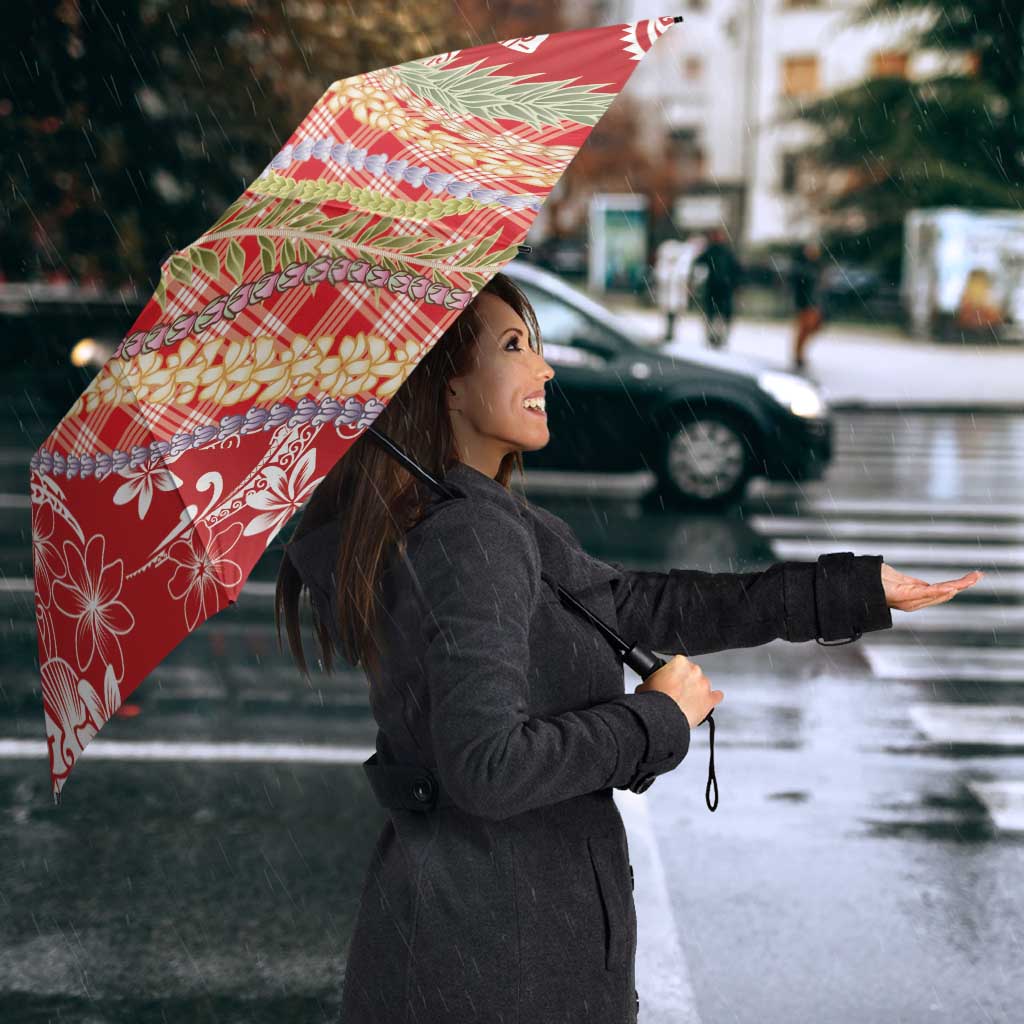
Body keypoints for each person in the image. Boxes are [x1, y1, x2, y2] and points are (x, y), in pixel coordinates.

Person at [276, 271, 971, 1024]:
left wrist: (850, 592)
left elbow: (639, 605)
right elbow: (488, 767)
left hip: (480, 943)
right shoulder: (468, 536)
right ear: (445, 385)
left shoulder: (472, 517)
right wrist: (657, 719)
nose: (544, 368)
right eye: (515, 346)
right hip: (499, 963)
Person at [692, 226, 742, 349]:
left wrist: (735, 284)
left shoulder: (725, 252)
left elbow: (736, 270)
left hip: (723, 288)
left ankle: (719, 337)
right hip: (715, 288)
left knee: (720, 315)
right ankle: (713, 337)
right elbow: (698, 264)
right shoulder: (712, 251)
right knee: (713, 314)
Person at [790, 239, 826, 371]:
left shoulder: (817, 266)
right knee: (804, 329)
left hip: (814, 303)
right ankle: (798, 355)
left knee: (812, 328)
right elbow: (799, 286)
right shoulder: (802, 267)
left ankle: (800, 354)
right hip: (805, 303)